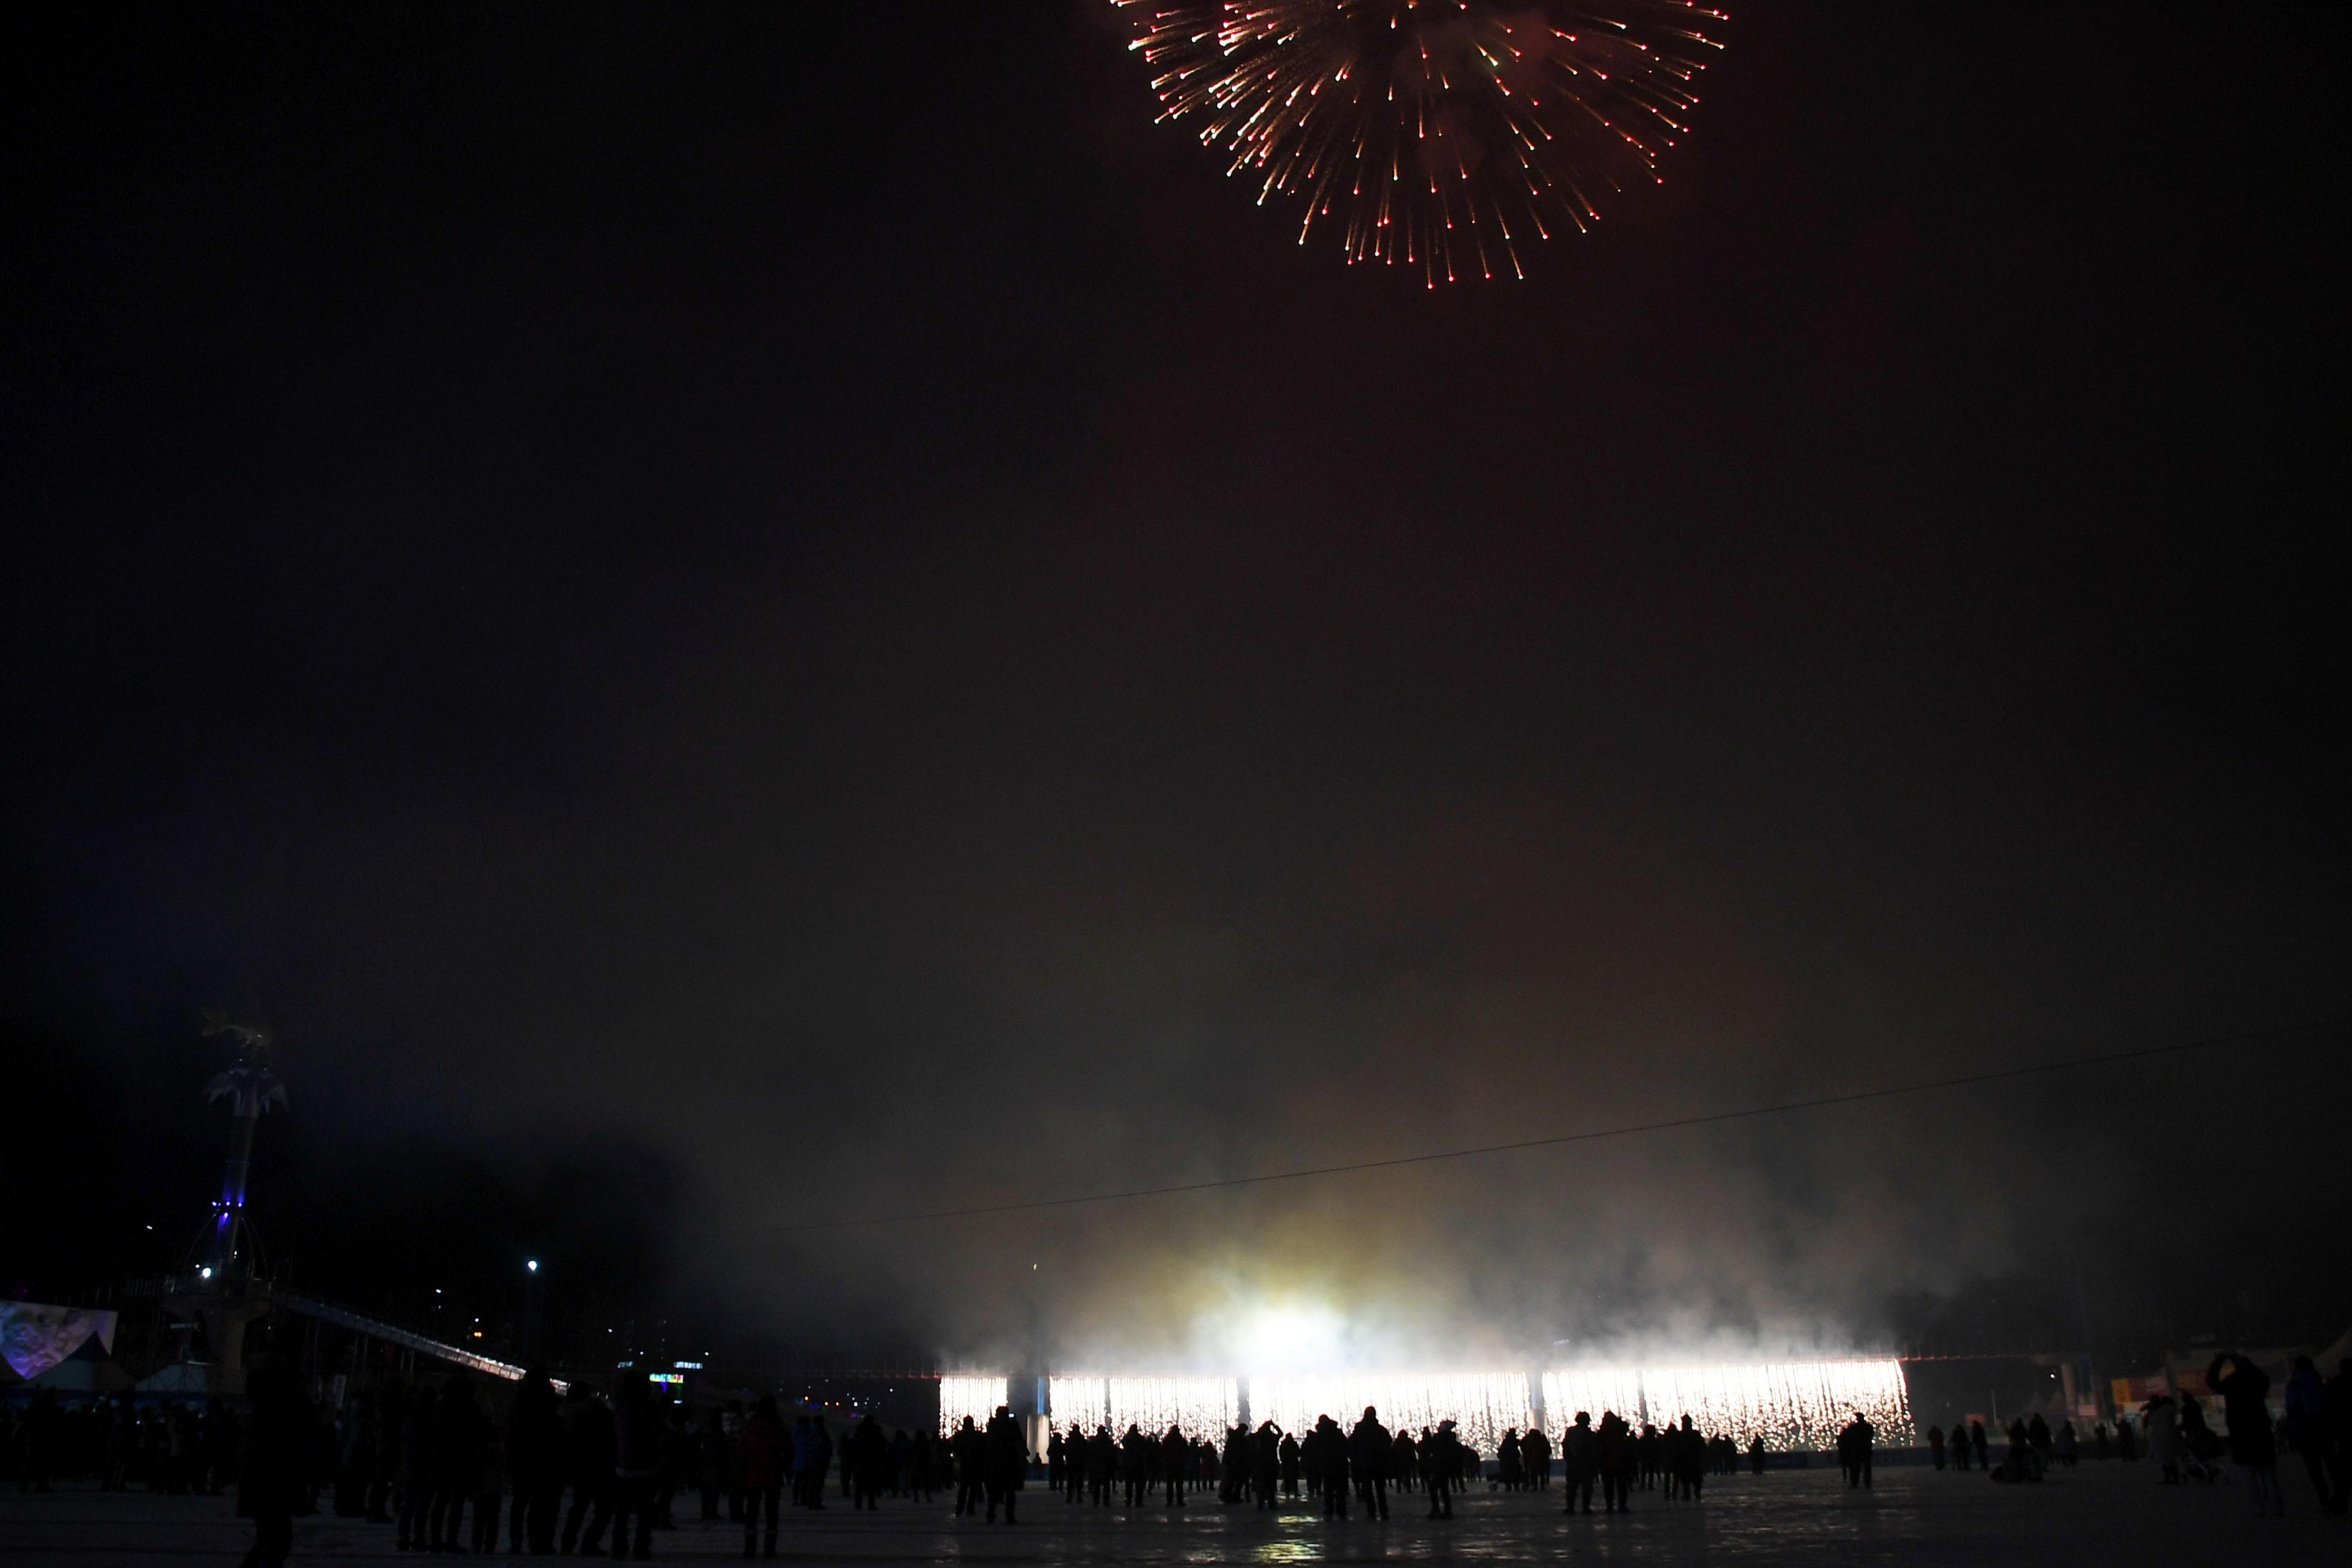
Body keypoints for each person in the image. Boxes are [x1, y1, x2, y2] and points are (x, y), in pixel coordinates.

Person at [237, 1354, 308, 1568]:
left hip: (268, 1483)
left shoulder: (267, 1402)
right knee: (275, 1543)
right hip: (273, 1484)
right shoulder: (276, 1403)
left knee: (269, 1543)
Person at [2208, 1352, 2284, 1514]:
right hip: (2260, 1428)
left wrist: (2219, 1361)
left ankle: (2258, 1508)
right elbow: (2263, 1377)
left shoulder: (2231, 1383)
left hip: (2240, 1431)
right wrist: (2242, 1361)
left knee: (2248, 1474)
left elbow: (2212, 1382)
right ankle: (2276, 1507)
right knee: (2268, 1472)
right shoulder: (2259, 1383)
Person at [609, 1372, 667, 1558]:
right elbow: (659, 1434)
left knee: (622, 1512)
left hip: (623, 1466)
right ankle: (641, 1547)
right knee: (645, 1513)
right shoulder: (651, 1408)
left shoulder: (620, 1407)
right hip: (647, 1466)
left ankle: (619, 1546)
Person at [507, 1369, 564, 1554]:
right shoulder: (551, 1403)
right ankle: (539, 1540)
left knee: (520, 1502)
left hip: (523, 1457)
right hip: (546, 1458)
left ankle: (516, 1540)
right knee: (542, 1505)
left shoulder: (519, 1402)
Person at [2284, 1355, 2346, 1515]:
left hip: (2305, 1430)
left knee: (2314, 1468)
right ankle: (2341, 1496)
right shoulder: (2321, 1383)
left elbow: (2291, 1408)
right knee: (2332, 1464)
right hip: (2324, 1427)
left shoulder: (2294, 1386)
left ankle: (2324, 1499)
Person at [739, 1396, 787, 1558]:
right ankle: (769, 1547)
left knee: (752, 1511)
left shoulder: (751, 1426)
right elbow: (786, 1450)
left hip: (753, 1474)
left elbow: (743, 1450)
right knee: (772, 1512)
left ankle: (750, 1547)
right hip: (773, 1474)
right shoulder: (778, 1426)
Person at [984, 1404, 1024, 1524]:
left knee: (994, 1492)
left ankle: (991, 1514)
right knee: (1010, 1492)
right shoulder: (1012, 1426)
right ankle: (1009, 1516)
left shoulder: (992, 1427)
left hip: (995, 1463)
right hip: (1009, 1463)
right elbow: (1019, 1443)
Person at [1349, 1406, 1392, 1519]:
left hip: (1365, 1462)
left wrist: (1355, 1458)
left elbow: (1352, 1444)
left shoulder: (1359, 1429)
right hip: (1378, 1463)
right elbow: (1388, 1442)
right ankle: (1384, 1513)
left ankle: (1371, 1513)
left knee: (1367, 1489)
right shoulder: (1380, 1429)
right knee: (1380, 1489)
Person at [1561, 1412, 1598, 1514]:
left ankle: (1570, 1507)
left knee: (1572, 1487)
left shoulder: (1571, 1432)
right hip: (1586, 1464)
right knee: (1587, 1487)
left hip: (1573, 1464)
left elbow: (1566, 1446)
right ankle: (1586, 1507)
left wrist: (1568, 1458)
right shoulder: (1591, 1435)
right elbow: (1595, 1450)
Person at [950, 1415, 985, 1516]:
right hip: (975, 1465)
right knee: (973, 1489)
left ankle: (959, 1509)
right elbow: (982, 1449)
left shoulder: (960, 1436)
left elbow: (955, 1449)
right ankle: (970, 1509)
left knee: (963, 1489)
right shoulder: (977, 1435)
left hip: (965, 1464)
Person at [1161, 1422, 1191, 1507]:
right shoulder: (1181, 1441)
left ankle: (1169, 1501)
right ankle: (1180, 1500)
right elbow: (1186, 1452)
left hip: (1170, 1465)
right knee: (1179, 1485)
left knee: (1169, 1484)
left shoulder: (1167, 1440)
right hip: (1179, 1465)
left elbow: (1163, 1452)